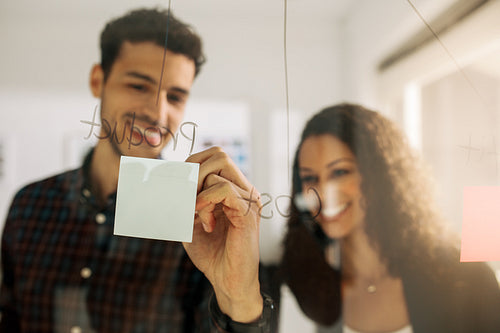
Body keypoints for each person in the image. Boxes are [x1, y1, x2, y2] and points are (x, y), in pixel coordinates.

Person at [0, 8, 278, 332]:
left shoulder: (200, 223)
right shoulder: (30, 204)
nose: (157, 113)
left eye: (174, 96)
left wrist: (239, 294)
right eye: (138, 86)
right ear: (97, 81)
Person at [280, 103, 500, 333]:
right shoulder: (304, 283)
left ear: (380, 174)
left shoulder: (468, 277)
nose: (323, 192)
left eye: (340, 172)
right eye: (310, 178)